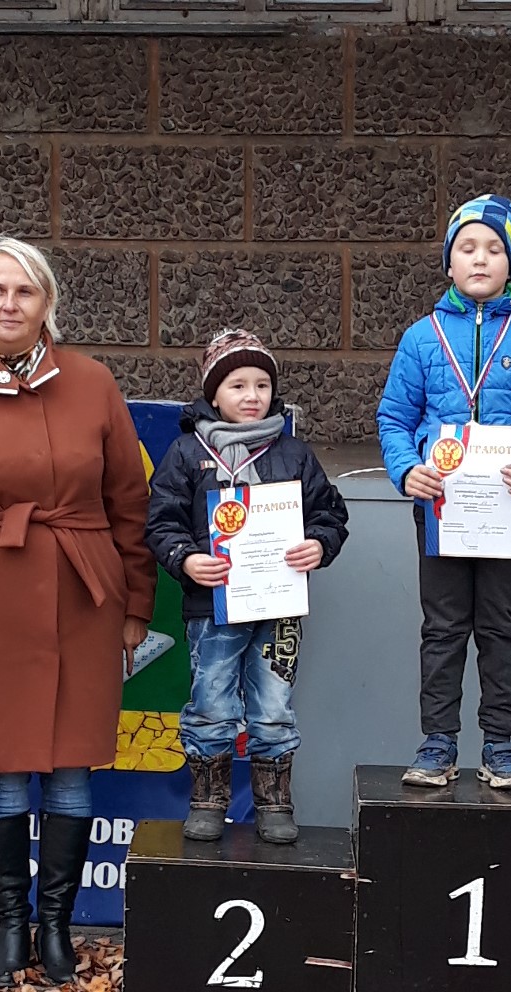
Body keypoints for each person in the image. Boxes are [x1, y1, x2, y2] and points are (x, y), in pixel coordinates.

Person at [0, 236, 158, 989]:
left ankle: (56, 928)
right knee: (2, 773)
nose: (10, 304)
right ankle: (11, 927)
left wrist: (136, 603)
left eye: (25, 291)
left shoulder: (93, 382)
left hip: (84, 598)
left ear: (48, 302)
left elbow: (129, 503)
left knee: (73, 770)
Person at [377, 193, 511, 790]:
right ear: (449, 262)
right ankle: (437, 743)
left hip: (509, 510)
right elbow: (393, 419)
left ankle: (501, 745)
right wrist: (406, 471)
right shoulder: (421, 337)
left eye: (494, 248)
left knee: (501, 628)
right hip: (440, 509)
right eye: (467, 247)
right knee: (442, 629)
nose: (480, 258)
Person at [145, 329, 350, 844]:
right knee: (211, 701)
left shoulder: (294, 453)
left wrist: (319, 545)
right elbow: (161, 520)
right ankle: (207, 800)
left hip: (278, 609)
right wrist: (186, 558)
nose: (252, 395)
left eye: (262, 384)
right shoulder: (187, 453)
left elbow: (329, 513)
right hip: (210, 608)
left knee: (274, 706)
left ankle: (274, 802)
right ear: (213, 395)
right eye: (237, 385)